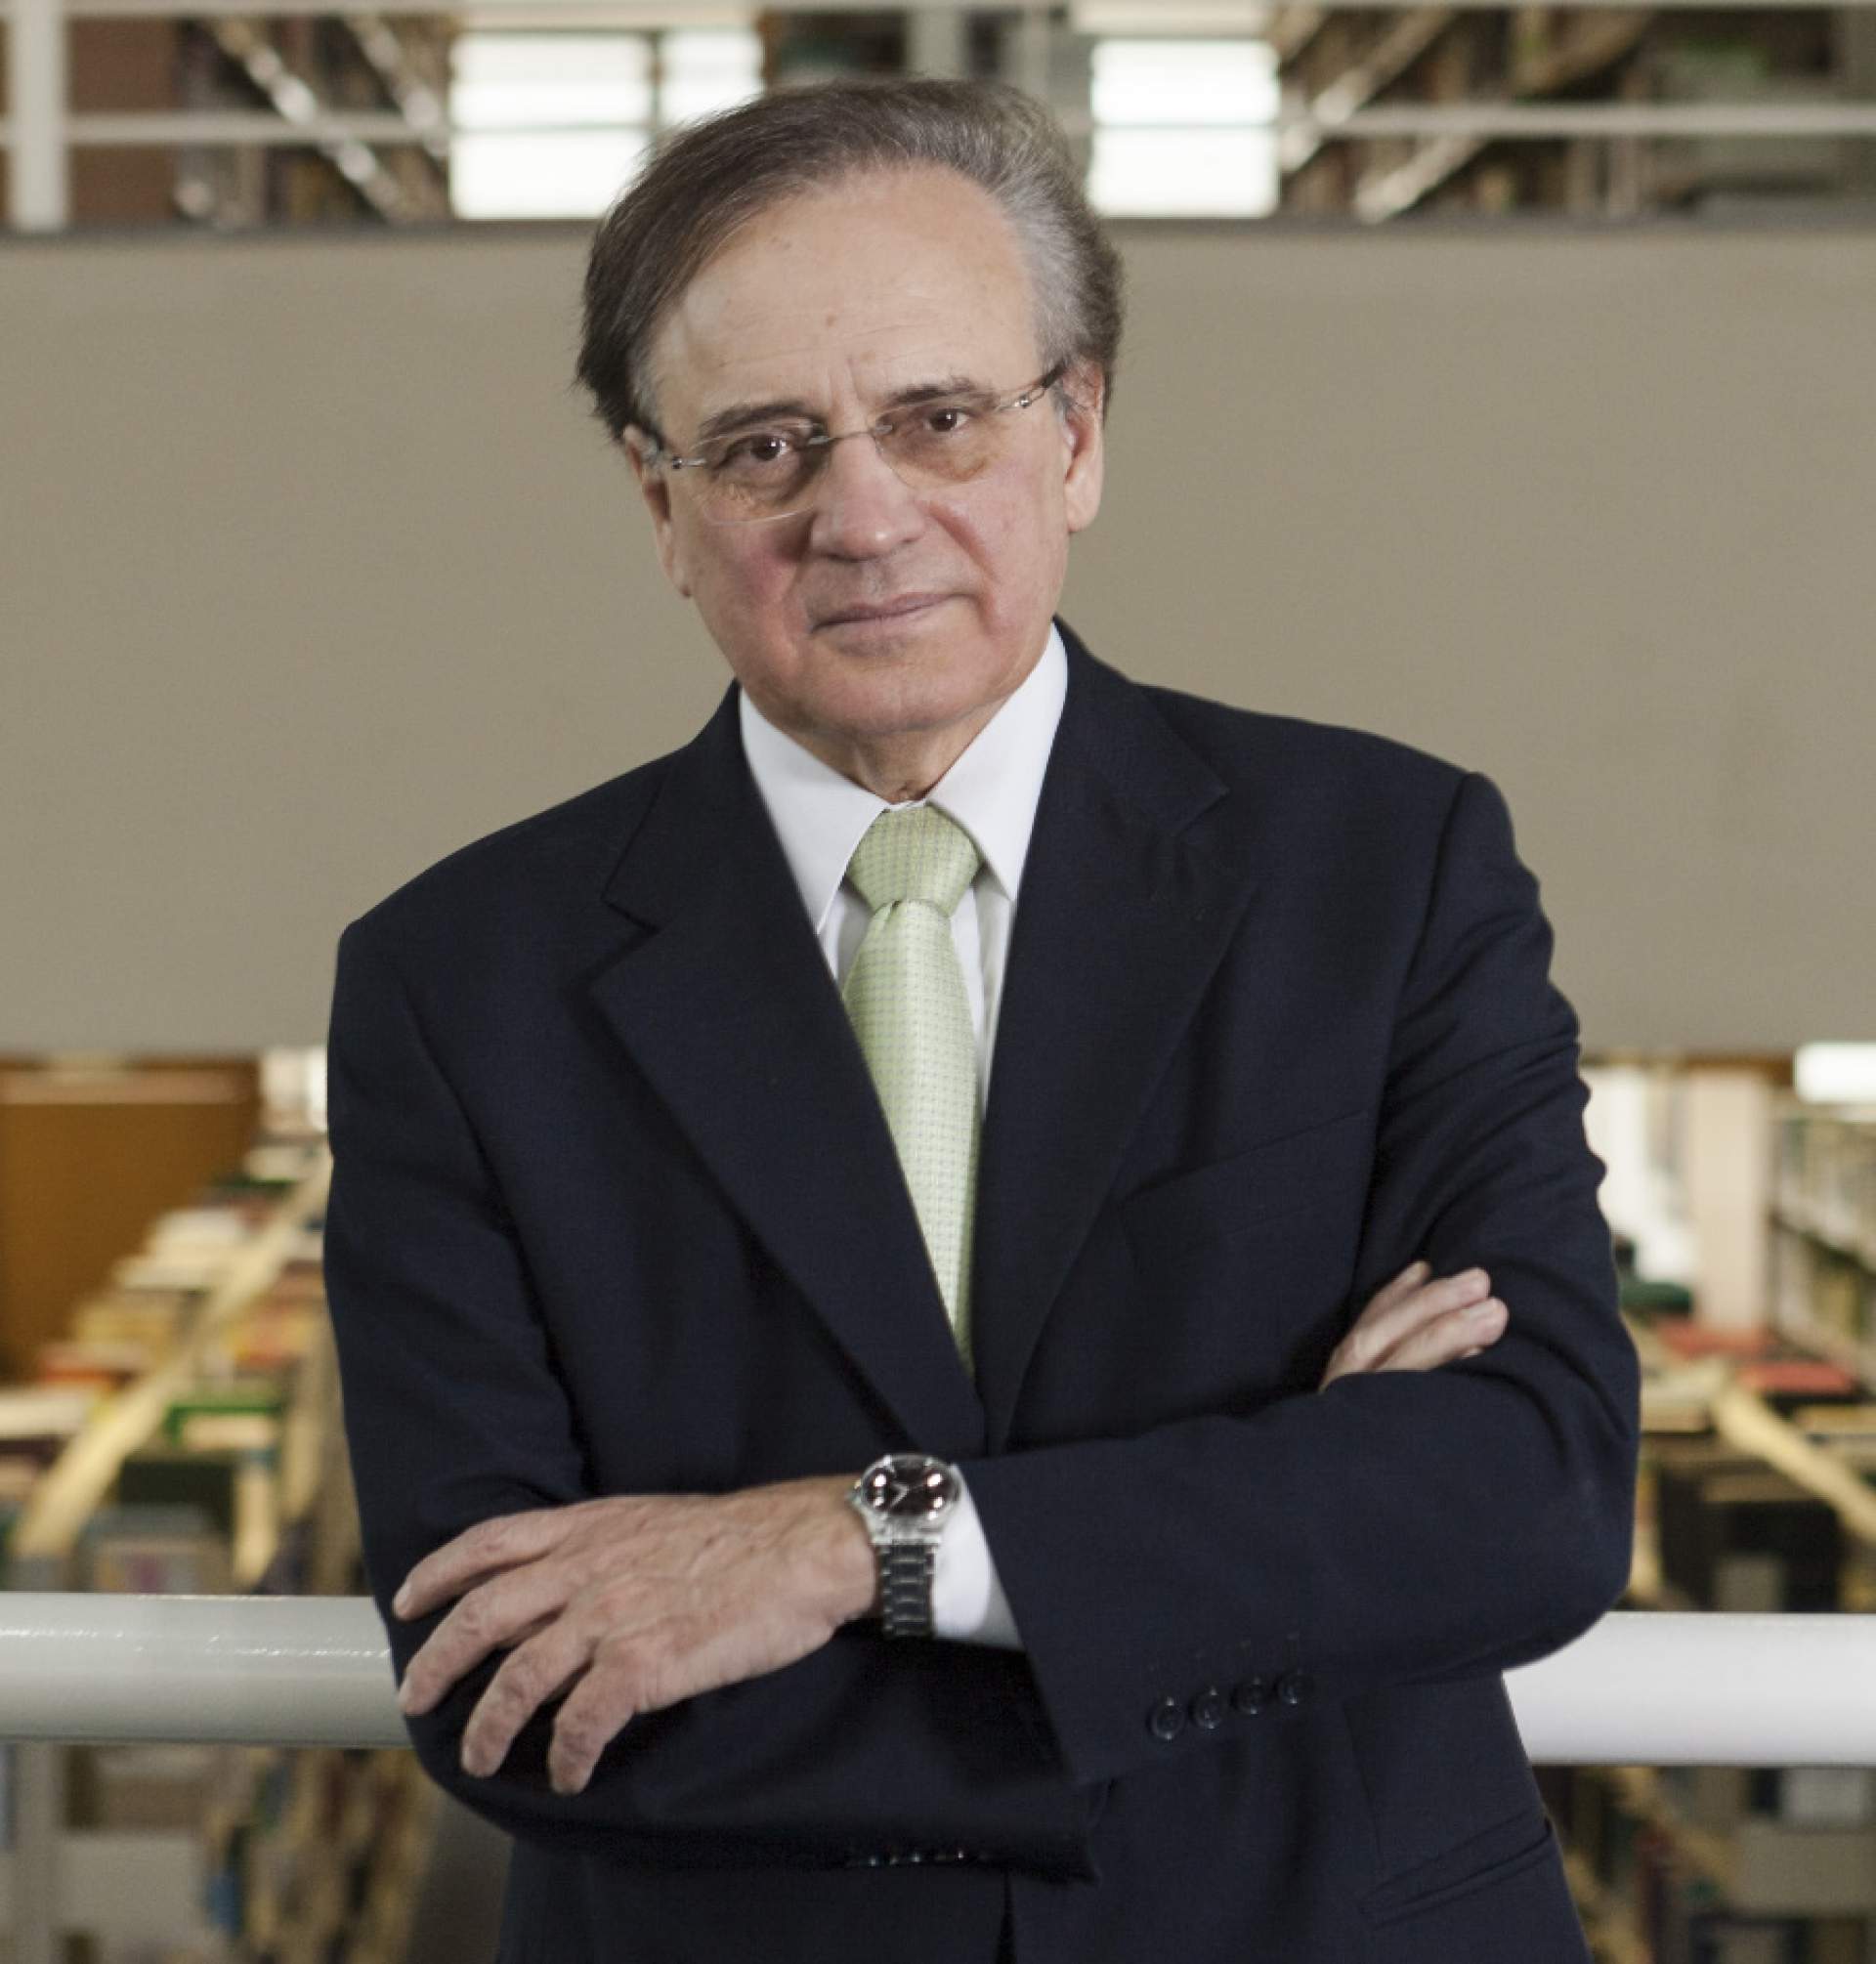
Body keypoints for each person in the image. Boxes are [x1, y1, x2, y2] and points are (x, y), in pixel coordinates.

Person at [320, 77, 1640, 1964]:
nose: (863, 517)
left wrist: (853, 1543)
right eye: (764, 447)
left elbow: (1528, 1492)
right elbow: (507, 1671)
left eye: (940, 419)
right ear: (662, 503)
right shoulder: (460, 985)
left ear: (1078, 433)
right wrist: (1257, 1564)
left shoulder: (1388, 868)